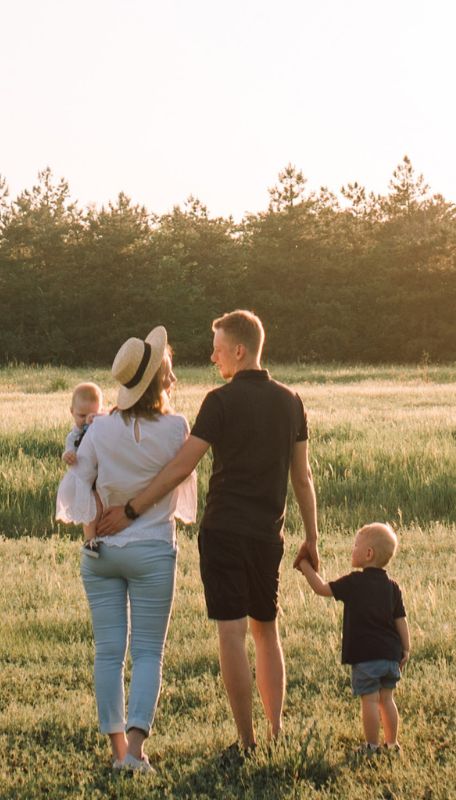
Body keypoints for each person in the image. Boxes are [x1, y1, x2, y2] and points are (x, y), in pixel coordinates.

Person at [98, 309, 319, 758]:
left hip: (222, 532)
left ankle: (247, 741)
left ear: (239, 350)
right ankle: (276, 734)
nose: (214, 356)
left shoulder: (219, 401)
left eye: (218, 349)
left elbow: (183, 465)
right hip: (268, 534)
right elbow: (303, 477)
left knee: (231, 632)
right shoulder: (292, 401)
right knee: (266, 629)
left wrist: (132, 508)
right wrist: (311, 536)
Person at [56, 326, 196, 773]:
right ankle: (135, 753)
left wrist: (94, 524)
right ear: (159, 380)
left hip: (102, 553)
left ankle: (117, 752)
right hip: (153, 550)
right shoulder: (177, 428)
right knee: (149, 651)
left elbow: (80, 484)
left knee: (108, 652)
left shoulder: (98, 429)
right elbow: (179, 484)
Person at [297, 522, 411, 755]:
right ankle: (392, 744)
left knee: (369, 700)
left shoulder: (353, 582)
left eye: (356, 545)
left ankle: (371, 746)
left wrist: (304, 565)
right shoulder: (393, 587)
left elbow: (321, 588)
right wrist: (406, 648)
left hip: (366, 656)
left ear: (368, 554)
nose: (352, 549)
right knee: (387, 699)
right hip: (390, 656)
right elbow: (401, 620)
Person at [59, 381, 104, 557]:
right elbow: (68, 450)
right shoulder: (74, 436)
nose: (86, 420)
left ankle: (105, 537)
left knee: (104, 506)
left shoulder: (102, 426)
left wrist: (99, 419)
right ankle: (90, 542)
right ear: (72, 412)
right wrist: (68, 456)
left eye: (92, 414)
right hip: (86, 479)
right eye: (81, 415)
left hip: (102, 476)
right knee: (91, 510)